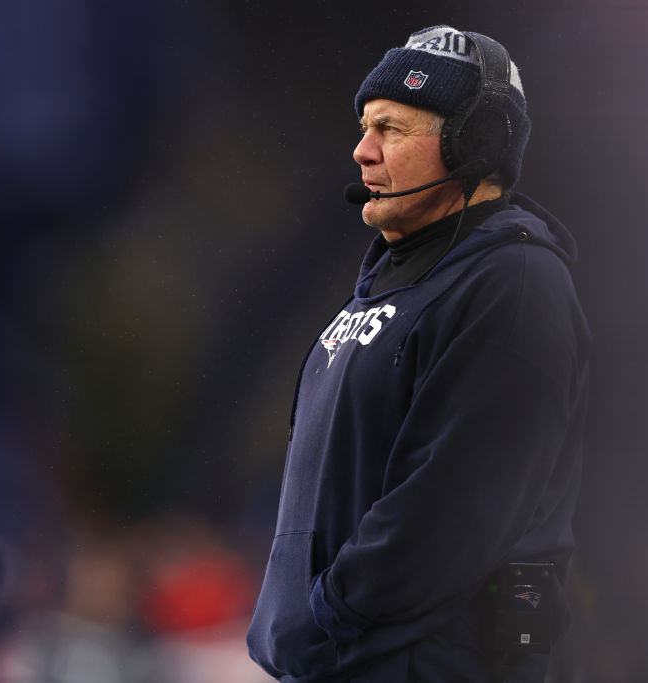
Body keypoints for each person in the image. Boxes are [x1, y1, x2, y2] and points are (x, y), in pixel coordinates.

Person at [246, 25, 590, 683]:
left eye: (390, 130)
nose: (362, 152)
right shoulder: (385, 290)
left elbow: (450, 511)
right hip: (343, 663)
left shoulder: (515, 284)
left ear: (476, 143)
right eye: (363, 128)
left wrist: (325, 618)